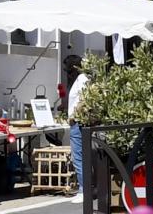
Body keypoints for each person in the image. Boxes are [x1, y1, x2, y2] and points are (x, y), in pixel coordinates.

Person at [63, 54, 91, 199]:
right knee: (80, 157)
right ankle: (84, 188)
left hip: (78, 124)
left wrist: (73, 116)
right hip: (76, 123)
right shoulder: (79, 80)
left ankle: (83, 190)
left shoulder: (82, 79)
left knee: (78, 157)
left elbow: (86, 99)